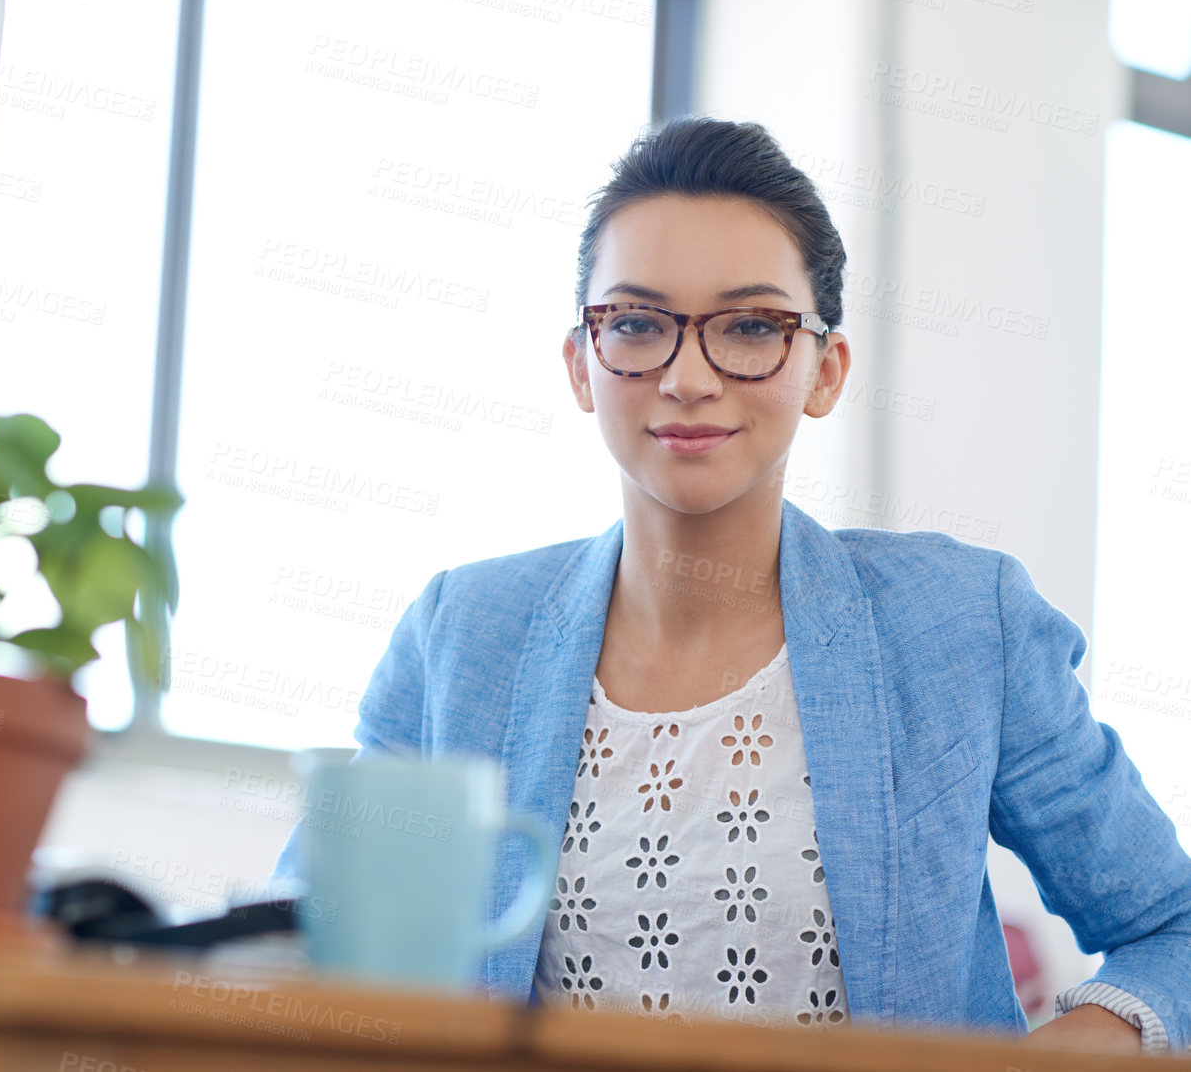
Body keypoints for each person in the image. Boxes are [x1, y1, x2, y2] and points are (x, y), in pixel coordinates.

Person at [273, 116, 1191, 1053]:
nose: (686, 377)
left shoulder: (960, 624)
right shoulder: (461, 634)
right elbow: (296, 947)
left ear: (823, 370)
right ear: (581, 365)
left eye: (750, 327)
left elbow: (1175, 928)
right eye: (635, 324)